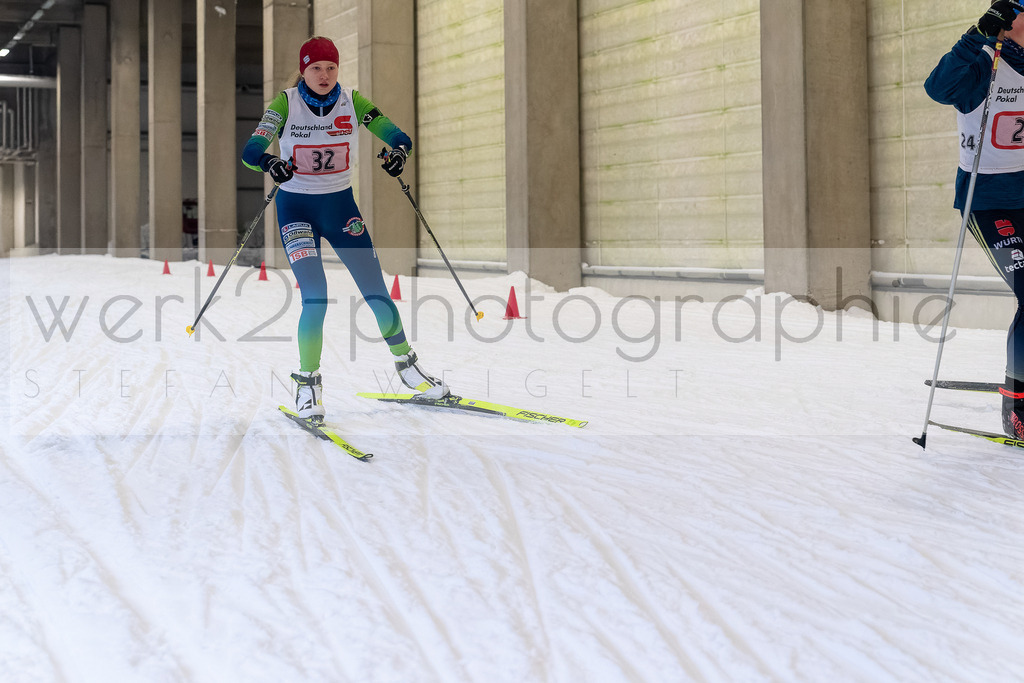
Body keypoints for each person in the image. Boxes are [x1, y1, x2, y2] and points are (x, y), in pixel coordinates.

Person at [242, 35, 449, 421]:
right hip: (296, 210)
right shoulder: (285, 103)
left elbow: (395, 134)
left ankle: (407, 366)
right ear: (304, 69)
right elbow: (251, 151)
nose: (324, 75)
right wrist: (270, 164)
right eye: (316, 68)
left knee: (375, 290)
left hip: (341, 210)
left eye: (331, 67)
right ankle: (307, 384)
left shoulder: (353, 102)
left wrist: (398, 153)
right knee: (316, 296)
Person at [925, 1, 1024, 438]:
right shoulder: (985, 65)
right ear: (1006, 23)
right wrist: (977, 36)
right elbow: (938, 88)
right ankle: (1017, 406)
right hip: (990, 203)